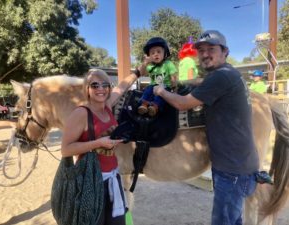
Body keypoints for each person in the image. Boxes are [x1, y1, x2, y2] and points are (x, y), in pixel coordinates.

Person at [153, 30, 259, 225]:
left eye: (211, 49)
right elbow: (203, 82)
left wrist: (161, 91)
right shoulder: (229, 74)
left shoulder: (222, 77)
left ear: (225, 51)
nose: (205, 54)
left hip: (231, 170)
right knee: (233, 220)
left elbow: (183, 103)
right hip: (238, 165)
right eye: (201, 50)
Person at [61, 69, 139, 225]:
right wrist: (98, 143)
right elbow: (65, 149)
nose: (101, 89)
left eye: (105, 84)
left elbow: (121, 87)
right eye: (95, 85)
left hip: (113, 177)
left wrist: (138, 71)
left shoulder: (107, 107)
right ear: (87, 89)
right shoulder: (81, 113)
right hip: (91, 181)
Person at [137, 37, 177, 117]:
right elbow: (143, 73)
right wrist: (145, 63)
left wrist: (174, 88)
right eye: (152, 53)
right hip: (153, 86)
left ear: (165, 53)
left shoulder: (168, 64)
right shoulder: (150, 66)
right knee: (147, 90)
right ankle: (144, 105)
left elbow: (173, 77)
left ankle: (155, 107)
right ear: (149, 56)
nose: (156, 54)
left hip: (165, 86)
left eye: (159, 52)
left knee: (162, 95)